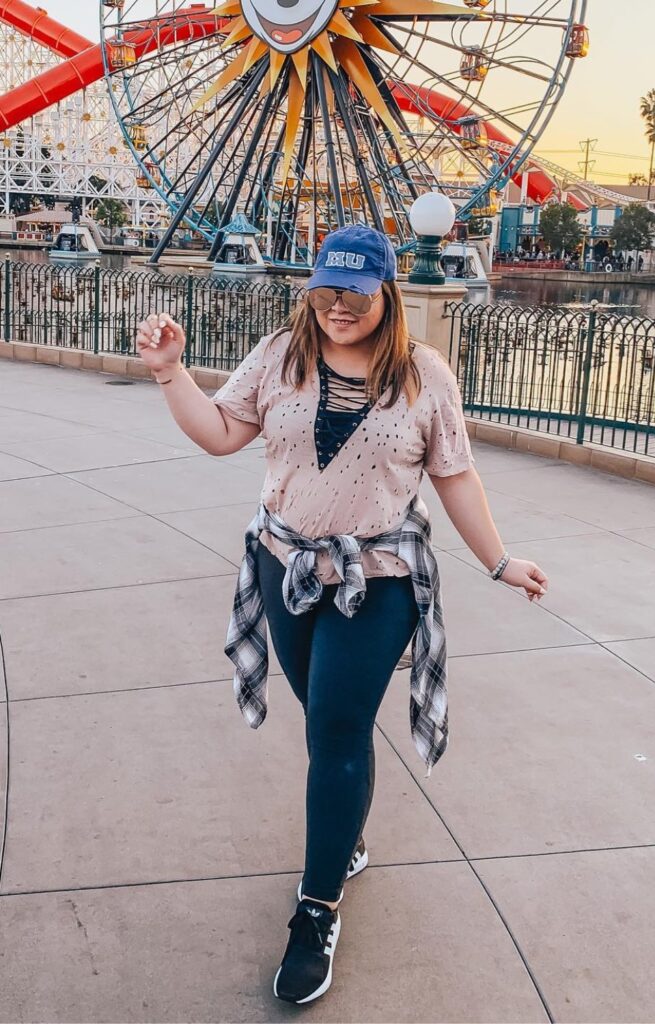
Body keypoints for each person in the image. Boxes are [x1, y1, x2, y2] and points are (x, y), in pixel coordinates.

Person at [135, 224, 549, 1006]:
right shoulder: (279, 356)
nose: (336, 306)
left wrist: (499, 560)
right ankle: (346, 835)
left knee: (334, 725)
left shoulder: (424, 375)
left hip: (380, 577)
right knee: (324, 722)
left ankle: (316, 907)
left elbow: (454, 477)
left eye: (354, 293)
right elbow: (221, 434)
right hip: (284, 566)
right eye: (324, 291)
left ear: (385, 292)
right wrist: (169, 374)